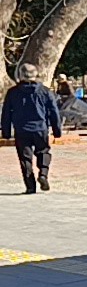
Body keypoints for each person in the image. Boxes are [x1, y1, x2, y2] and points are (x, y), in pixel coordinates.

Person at [2, 63, 61, 194]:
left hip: (21, 130)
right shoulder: (45, 92)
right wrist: (57, 130)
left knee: (25, 158)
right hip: (41, 128)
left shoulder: (13, 92)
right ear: (36, 75)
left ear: (20, 75)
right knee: (44, 151)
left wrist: (6, 132)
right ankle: (43, 174)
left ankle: (30, 186)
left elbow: (6, 113)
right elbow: (54, 112)